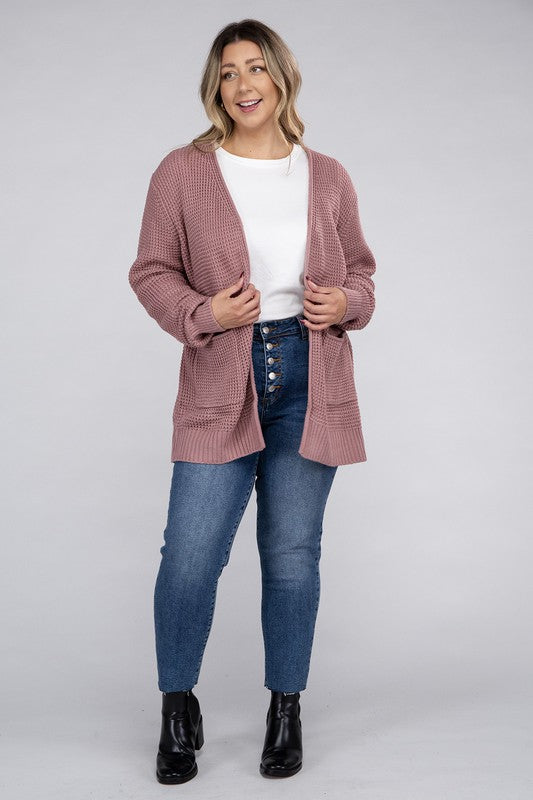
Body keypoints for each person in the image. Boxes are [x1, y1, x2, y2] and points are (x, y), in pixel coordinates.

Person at [128, 18, 377, 784]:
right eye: (228, 71)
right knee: (189, 558)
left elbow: (362, 275)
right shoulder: (183, 170)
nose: (243, 84)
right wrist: (203, 313)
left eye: (255, 68)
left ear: (280, 77)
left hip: (311, 376)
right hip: (220, 375)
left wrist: (345, 302)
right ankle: (177, 708)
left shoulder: (326, 176)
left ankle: (285, 708)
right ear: (216, 87)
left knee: (292, 558)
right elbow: (151, 271)